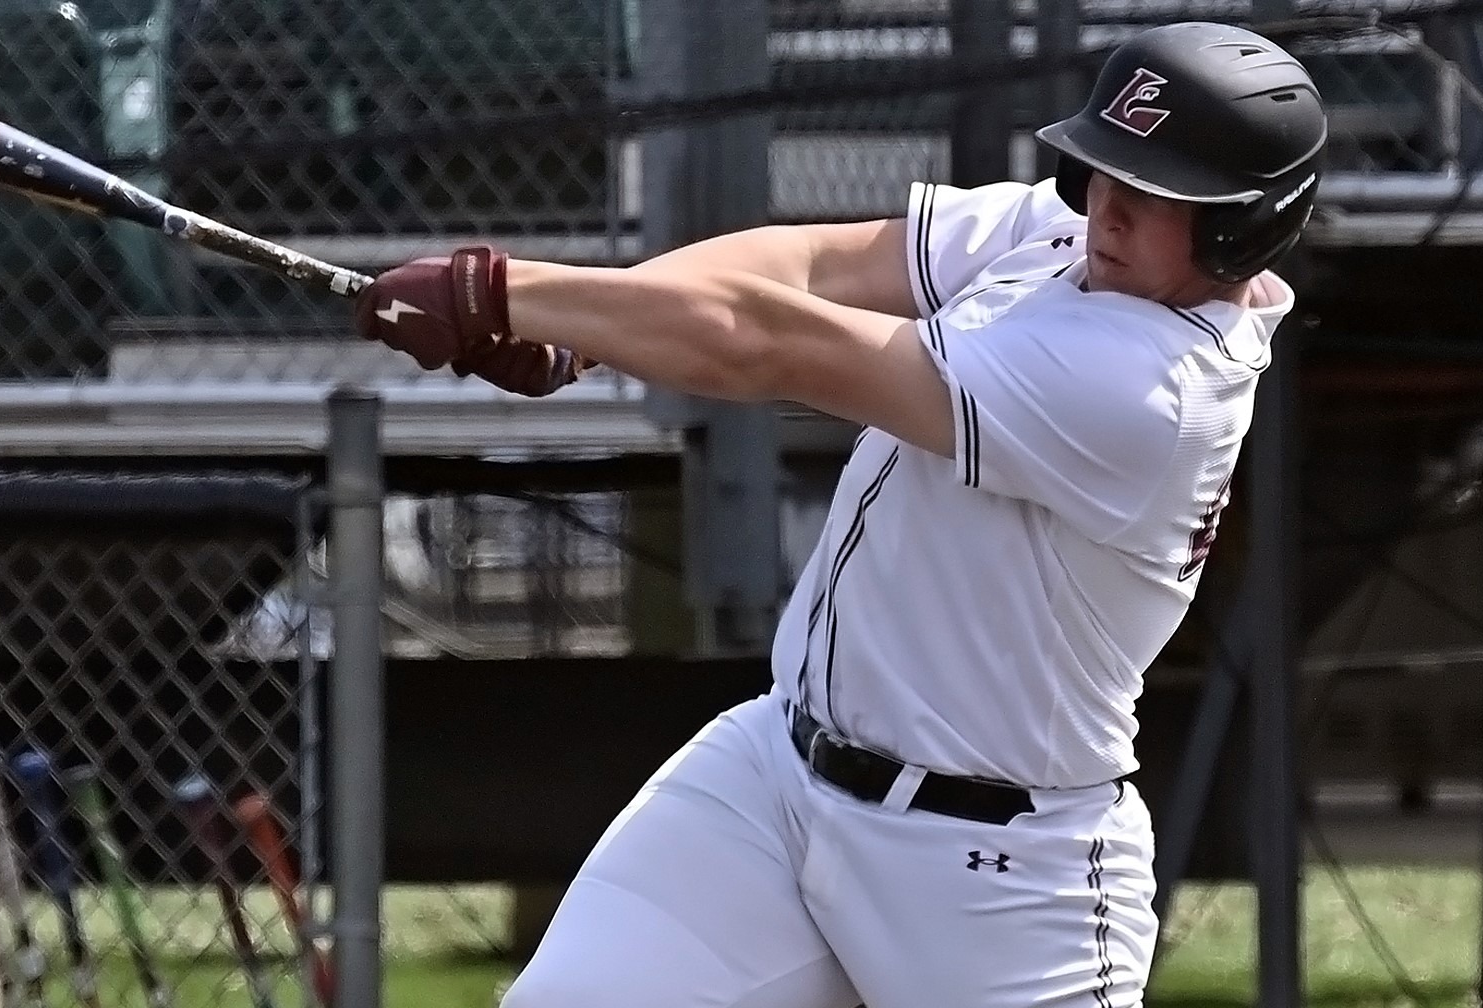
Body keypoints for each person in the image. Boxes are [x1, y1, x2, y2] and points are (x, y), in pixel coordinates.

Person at [355, 19, 1327, 1008]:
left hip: (995, 875)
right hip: (778, 780)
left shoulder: (1150, 390)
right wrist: (600, 324)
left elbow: (769, 344)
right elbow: (820, 265)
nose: (1110, 209)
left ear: (1240, 228)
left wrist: (507, 293)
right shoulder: (1058, 236)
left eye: (1157, 194)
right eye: (1102, 171)